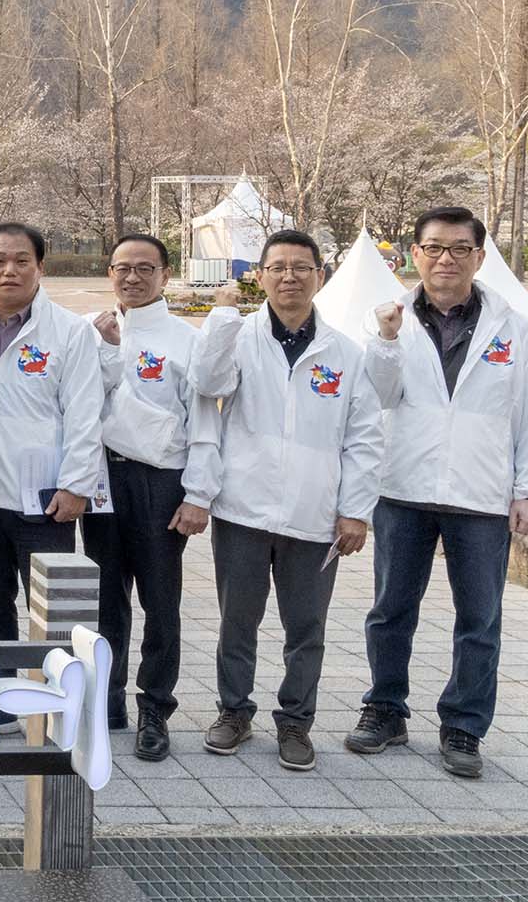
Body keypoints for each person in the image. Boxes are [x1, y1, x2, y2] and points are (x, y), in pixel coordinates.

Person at [345, 207, 528, 779]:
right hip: (403, 487)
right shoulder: (386, 319)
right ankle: (385, 708)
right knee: (391, 610)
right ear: (414, 254)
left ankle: (464, 724)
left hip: (482, 493)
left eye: (460, 248)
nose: (446, 259)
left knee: (480, 617)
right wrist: (386, 342)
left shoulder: (514, 328)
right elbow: (379, 398)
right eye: (435, 247)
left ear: (480, 257)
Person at [192, 230, 383, 772]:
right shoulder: (241, 336)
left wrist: (354, 510)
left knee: (306, 629)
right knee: (238, 622)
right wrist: (222, 318)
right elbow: (208, 383)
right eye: (277, 267)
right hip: (243, 508)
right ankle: (234, 711)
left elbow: (365, 437)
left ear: (320, 276)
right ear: (260, 275)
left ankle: (296, 721)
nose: (289, 277)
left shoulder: (345, 353)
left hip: (313, 513)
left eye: (302, 267)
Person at [82, 234, 221, 760]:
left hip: (160, 483)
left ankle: (155, 708)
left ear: (166, 274)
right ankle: (107, 699)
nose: (132, 278)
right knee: (104, 598)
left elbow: (206, 424)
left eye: (145, 268)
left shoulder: (186, 341)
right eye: (122, 268)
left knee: (160, 600)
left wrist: (198, 494)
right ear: (109, 272)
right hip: (101, 480)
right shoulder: (91, 331)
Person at [0, 223, 103, 670]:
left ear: (40, 267)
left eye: (22, 261)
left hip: (44, 499)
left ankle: (55, 707)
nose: (9, 270)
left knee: (54, 610)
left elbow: (84, 413)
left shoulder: (69, 331)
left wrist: (76, 485)